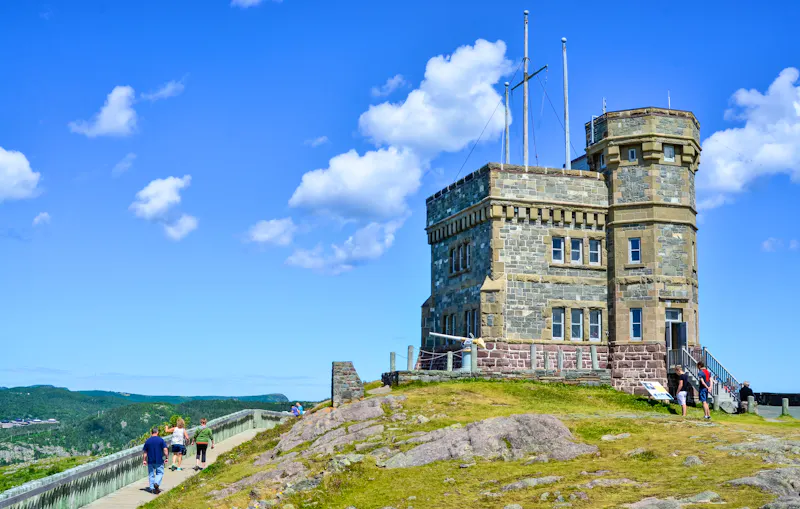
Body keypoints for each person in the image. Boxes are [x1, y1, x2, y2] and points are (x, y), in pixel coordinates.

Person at [142, 427, 168, 495]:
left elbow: (145, 452)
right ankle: (156, 483)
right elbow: (165, 450)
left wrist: (144, 460)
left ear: (151, 433)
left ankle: (152, 488)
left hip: (150, 461)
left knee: (151, 474)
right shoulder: (161, 440)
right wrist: (167, 457)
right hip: (159, 460)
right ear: (157, 432)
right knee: (159, 473)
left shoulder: (148, 441)